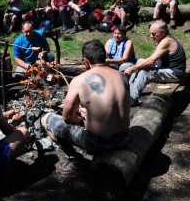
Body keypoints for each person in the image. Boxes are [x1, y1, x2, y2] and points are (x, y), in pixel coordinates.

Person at [41, 40, 130, 174]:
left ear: (86, 61)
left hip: (99, 142)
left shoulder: (79, 80)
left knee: (47, 119)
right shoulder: (122, 76)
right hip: (124, 137)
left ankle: (74, 160)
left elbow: (66, 117)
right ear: (104, 57)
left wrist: (80, 121)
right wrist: (88, 115)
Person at [124, 20, 186, 106]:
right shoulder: (166, 38)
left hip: (175, 73)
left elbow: (151, 61)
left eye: (153, 34)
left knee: (144, 73)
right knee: (140, 61)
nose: (151, 36)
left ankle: (132, 99)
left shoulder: (167, 41)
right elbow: (152, 59)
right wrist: (137, 66)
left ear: (163, 32)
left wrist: (132, 68)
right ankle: (128, 91)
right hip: (166, 68)